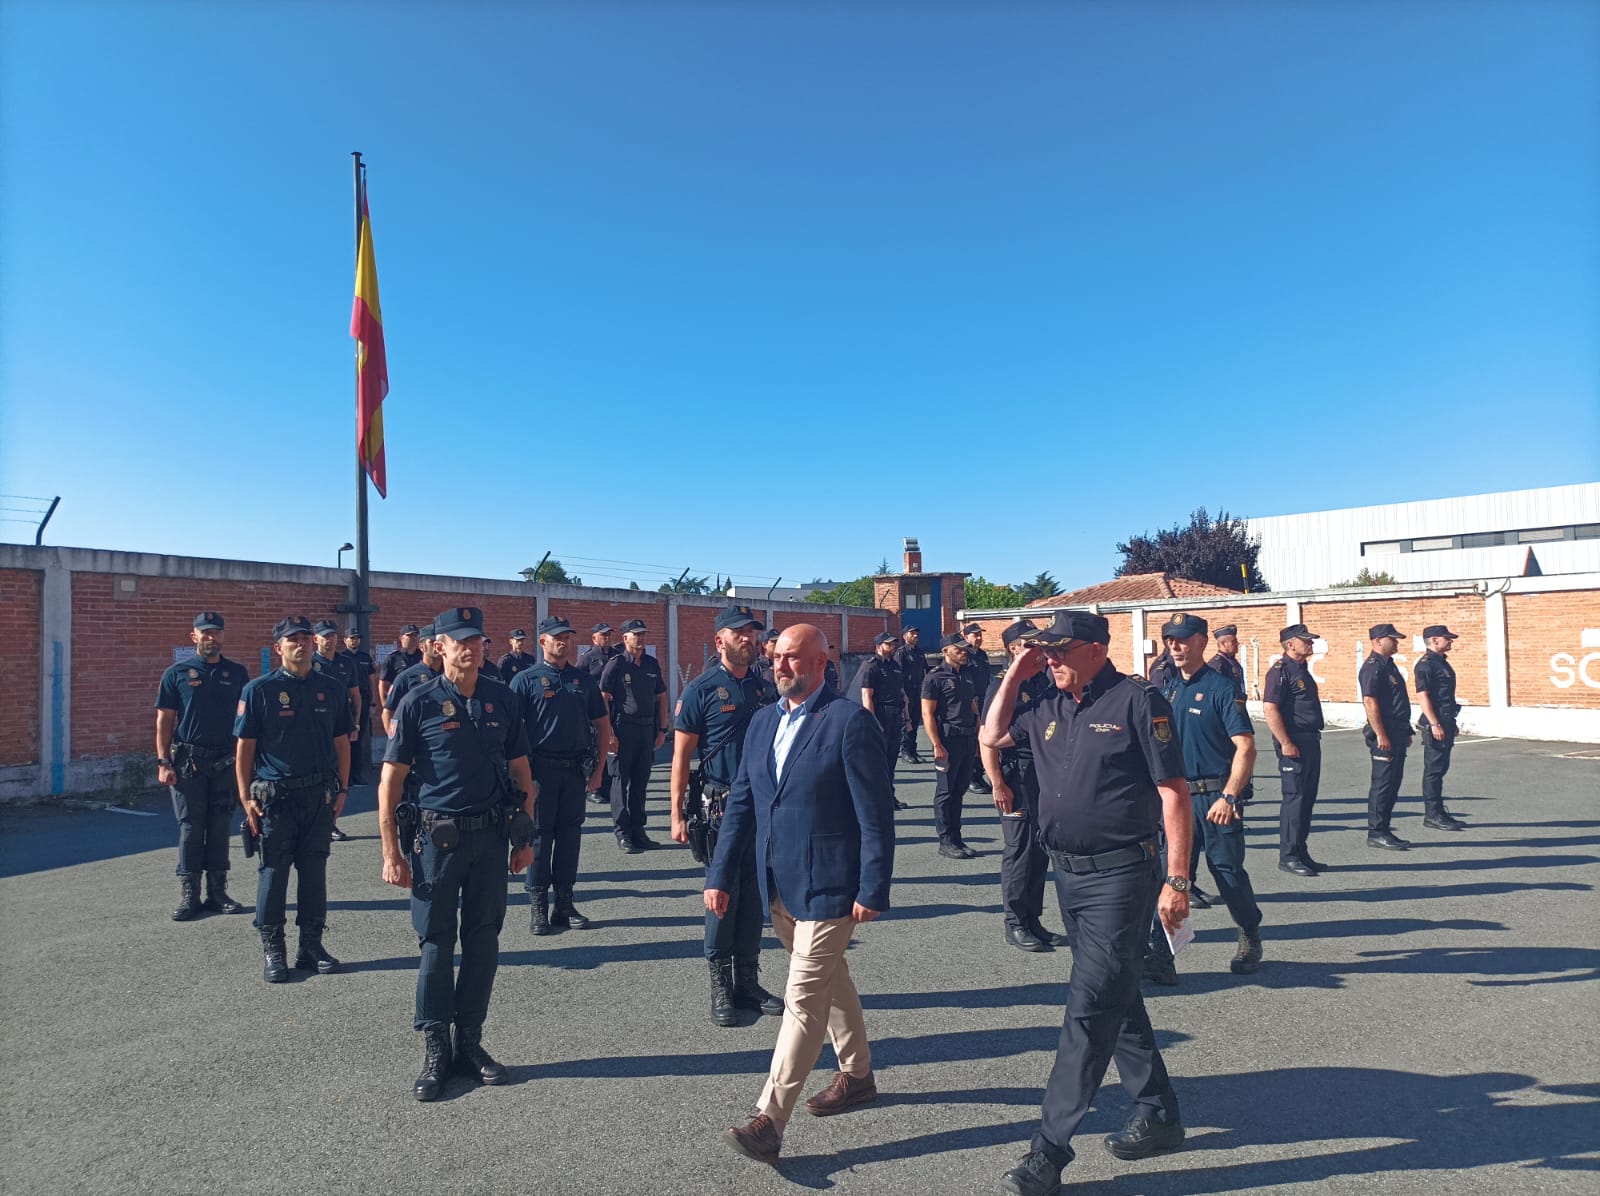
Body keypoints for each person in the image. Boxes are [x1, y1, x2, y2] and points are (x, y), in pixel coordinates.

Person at [980, 611, 1192, 1195]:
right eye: (1044, 652)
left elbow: (1172, 792)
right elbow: (992, 736)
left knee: (1088, 1005)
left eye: (1061, 651)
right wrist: (1014, 676)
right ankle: (1159, 1110)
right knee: (1115, 993)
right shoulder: (1045, 704)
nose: (1051, 659)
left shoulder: (1136, 701)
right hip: (1068, 877)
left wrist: (1177, 880)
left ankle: (1047, 1150)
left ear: (1098, 649)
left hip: (1124, 875)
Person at [710, 624, 895, 1166]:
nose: (780, 667)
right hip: (778, 884)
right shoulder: (763, 722)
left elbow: (875, 813)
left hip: (832, 884)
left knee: (803, 998)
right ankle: (858, 1077)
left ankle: (770, 1119)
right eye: (775, 659)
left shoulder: (848, 722)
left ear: (820, 661)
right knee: (832, 982)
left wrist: (874, 883)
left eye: (791, 658)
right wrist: (720, 875)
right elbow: (742, 804)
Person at [378, 606, 536, 1101]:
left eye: (477, 640)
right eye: (459, 640)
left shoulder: (501, 699)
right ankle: (435, 1048)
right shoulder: (418, 702)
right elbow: (391, 783)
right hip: (437, 846)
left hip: (490, 839)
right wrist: (390, 851)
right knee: (436, 944)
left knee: (484, 940)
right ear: (439, 646)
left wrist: (525, 838)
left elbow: (522, 773)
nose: (470, 648)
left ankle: (470, 1044)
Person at [670, 605, 782, 1026]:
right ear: (720, 641)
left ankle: (747, 982)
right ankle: (721, 985)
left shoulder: (762, 688)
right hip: (719, 808)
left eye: (752, 634)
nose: (749, 640)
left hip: (760, 807)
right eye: (740, 634)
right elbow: (681, 757)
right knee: (721, 895)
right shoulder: (701, 689)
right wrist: (676, 815)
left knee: (754, 895)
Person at [1144, 614, 1262, 985]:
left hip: (1216, 798)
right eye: (1168, 640)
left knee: (1227, 873)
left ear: (1200, 642)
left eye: (1181, 640)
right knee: (1172, 877)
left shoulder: (1222, 688)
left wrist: (1229, 796)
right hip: (1178, 799)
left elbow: (1245, 747)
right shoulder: (1166, 690)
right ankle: (1161, 955)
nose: (1174, 647)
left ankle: (1249, 933)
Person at [234, 616, 352, 984]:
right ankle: (274, 950)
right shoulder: (259, 691)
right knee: (273, 874)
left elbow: (342, 742)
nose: (300, 644)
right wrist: (245, 798)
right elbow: (245, 748)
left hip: (318, 797)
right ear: (278, 648)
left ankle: (311, 946)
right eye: (292, 640)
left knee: (315, 874)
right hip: (276, 800)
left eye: (305, 638)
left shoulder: (331, 688)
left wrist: (343, 790)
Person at [510, 616, 611, 937]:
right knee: (539, 836)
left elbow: (601, 723)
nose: (563, 642)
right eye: (557, 638)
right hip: (539, 770)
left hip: (574, 770)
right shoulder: (525, 681)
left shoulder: (582, 679)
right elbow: (512, 734)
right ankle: (538, 905)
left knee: (570, 838)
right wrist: (520, 778)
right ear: (542, 642)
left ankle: (563, 904)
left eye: (567, 637)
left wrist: (597, 771)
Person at [155, 612, 249, 921]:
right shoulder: (177, 673)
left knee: (220, 826)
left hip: (225, 760)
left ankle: (217, 892)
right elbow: (165, 721)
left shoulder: (237, 673)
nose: (211, 638)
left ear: (223, 636)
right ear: (193, 636)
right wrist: (163, 762)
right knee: (192, 828)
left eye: (216, 633)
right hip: (188, 762)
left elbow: (246, 721)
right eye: (205, 633)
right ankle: (190, 894)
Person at [978, 620, 1063, 952]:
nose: (1039, 650)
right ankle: (1014, 922)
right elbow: (987, 739)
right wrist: (997, 782)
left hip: (1042, 772)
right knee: (1019, 851)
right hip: (1015, 774)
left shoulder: (1044, 681)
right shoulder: (1002, 686)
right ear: (1015, 649)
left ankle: (1032, 919)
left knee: (1039, 849)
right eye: (1030, 644)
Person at [600, 618, 669, 853]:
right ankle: (623, 833)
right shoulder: (616, 664)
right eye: (635, 634)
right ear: (625, 638)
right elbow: (604, 699)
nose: (640, 637)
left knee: (640, 783)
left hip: (646, 730)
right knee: (620, 781)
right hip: (622, 729)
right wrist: (608, 732)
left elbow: (661, 696)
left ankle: (639, 831)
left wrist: (662, 729)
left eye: (643, 633)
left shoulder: (650, 663)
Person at [1262, 624, 1325, 877]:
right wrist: (1285, 742)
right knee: (1295, 799)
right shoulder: (1280, 671)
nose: (1310, 644)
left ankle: (1300, 850)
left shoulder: (1301, 670)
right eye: (1305, 640)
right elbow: (1270, 709)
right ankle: (1288, 856)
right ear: (1290, 644)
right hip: (1294, 741)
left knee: (1307, 799)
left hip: (1310, 740)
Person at [922, 632, 979, 858]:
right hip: (947, 740)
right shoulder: (934, 678)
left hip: (967, 739)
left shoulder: (966, 675)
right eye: (959, 649)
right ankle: (945, 841)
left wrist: (977, 735)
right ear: (946, 651)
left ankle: (957, 838)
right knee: (945, 792)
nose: (963, 652)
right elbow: (928, 713)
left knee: (959, 790)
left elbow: (973, 707)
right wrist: (936, 744)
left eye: (965, 649)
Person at [1360, 623, 1415, 851]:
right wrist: (1381, 733)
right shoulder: (1373, 667)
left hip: (1397, 731)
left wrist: (1407, 730)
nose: (1397, 642)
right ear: (1379, 640)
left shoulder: (1388, 665)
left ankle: (1385, 828)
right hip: (1385, 734)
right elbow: (1370, 702)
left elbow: (1397, 702)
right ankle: (1376, 832)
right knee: (1382, 784)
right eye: (1393, 638)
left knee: (1393, 783)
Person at [1414, 624, 1467, 831]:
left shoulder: (1440, 662)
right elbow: (1423, 695)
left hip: (1446, 720)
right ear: (1435, 640)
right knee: (1433, 770)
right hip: (1435, 722)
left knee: (1441, 768)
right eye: (1447, 638)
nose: (1450, 641)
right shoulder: (1426, 664)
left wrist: (1450, 723)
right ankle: (1433, 815)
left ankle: (1439, 811)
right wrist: (1435, 723)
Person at [849, 631, 909, 810]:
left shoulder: (895, 666)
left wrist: (907, 718)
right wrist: (873, 721)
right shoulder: (870, 666)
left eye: (893, 644)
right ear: (878, 646)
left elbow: (901, 693)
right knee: (877, 762)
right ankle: (875, 799)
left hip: (895, 717)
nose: (892, 647)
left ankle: (889, 796)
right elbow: (867, 695)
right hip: (880, 717)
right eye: (888, 644)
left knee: (891, 761)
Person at [313, 620, 361, 842]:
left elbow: (355, 695)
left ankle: (331, 822)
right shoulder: (311, 662)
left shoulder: (345, 662)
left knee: (337, 774)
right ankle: (315, 822)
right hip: (317, 725)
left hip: (341, 724)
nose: (329, 640)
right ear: (317, 640)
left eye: (332, 636)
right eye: (325, 636)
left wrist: (356, 723)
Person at [382, 625, 442, 737]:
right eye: (432, 642)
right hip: (417, 737)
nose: (437, 646)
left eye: (440, 642)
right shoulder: (406, 676)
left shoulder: (451, 674)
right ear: (422, 647)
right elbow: (388, 712)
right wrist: (394, 739)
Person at [339, 626, 376, 786]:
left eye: (357, 638)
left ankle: (356, 775)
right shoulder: (340, 658)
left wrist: (373, 702)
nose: (355, 641)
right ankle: (343, 776)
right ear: (345, 640)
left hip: (363, 699)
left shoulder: (365, 657)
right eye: (351, 638)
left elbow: (371, 679)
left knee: (359, 739)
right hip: (346, 701)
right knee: (342, 738)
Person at [962, 624, 994, 793]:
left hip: (984, 699)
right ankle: (971, 777)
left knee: (983, 738)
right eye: (975, 635)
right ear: (966, 637)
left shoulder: (982, 655)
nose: (979, 638)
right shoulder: (965, 655)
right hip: (971, 701)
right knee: (974, 739)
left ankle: (979, 774)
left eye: (980, 635)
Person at [894, 626, 928, 762]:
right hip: (907, 690)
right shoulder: (901, 653)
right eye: (912, 633)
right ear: (904, 636)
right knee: (906, 721)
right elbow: (898, 675)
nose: (915, 636)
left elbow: (925, 671)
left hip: (918, 690)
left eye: (916, 633)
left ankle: (913, 750)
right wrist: (902, 693)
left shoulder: (919, 652)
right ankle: (905, 750)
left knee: (915, 720)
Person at [378, 624, 423, 710]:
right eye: (409, 635)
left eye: (415, 635)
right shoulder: (393, 658)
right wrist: (385, 706)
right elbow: (383, 684)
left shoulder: (423, 657)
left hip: (420, 704)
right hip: (399, 704)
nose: (413, 638)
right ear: (401, 638)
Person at [1208, 625, 1246, 696]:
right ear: (1223, 643)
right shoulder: (1217, 665)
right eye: (1234, 641)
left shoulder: (1232, 661)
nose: (1237, 644)